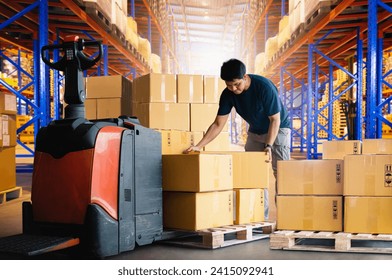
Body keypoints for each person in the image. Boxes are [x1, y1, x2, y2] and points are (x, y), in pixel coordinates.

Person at [184, 58, 291, 220]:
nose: (233, 89)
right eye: (229, 85)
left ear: (245, 77)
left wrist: (268, 146)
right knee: (253, 173)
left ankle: (286, 218)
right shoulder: (228, 94)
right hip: (256, 130)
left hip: (278, 128)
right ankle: (260, 218)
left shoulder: (264, 87)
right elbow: (218, 124)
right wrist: (199, 146)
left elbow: (274, 120)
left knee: (281, 173)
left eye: (236, 84)